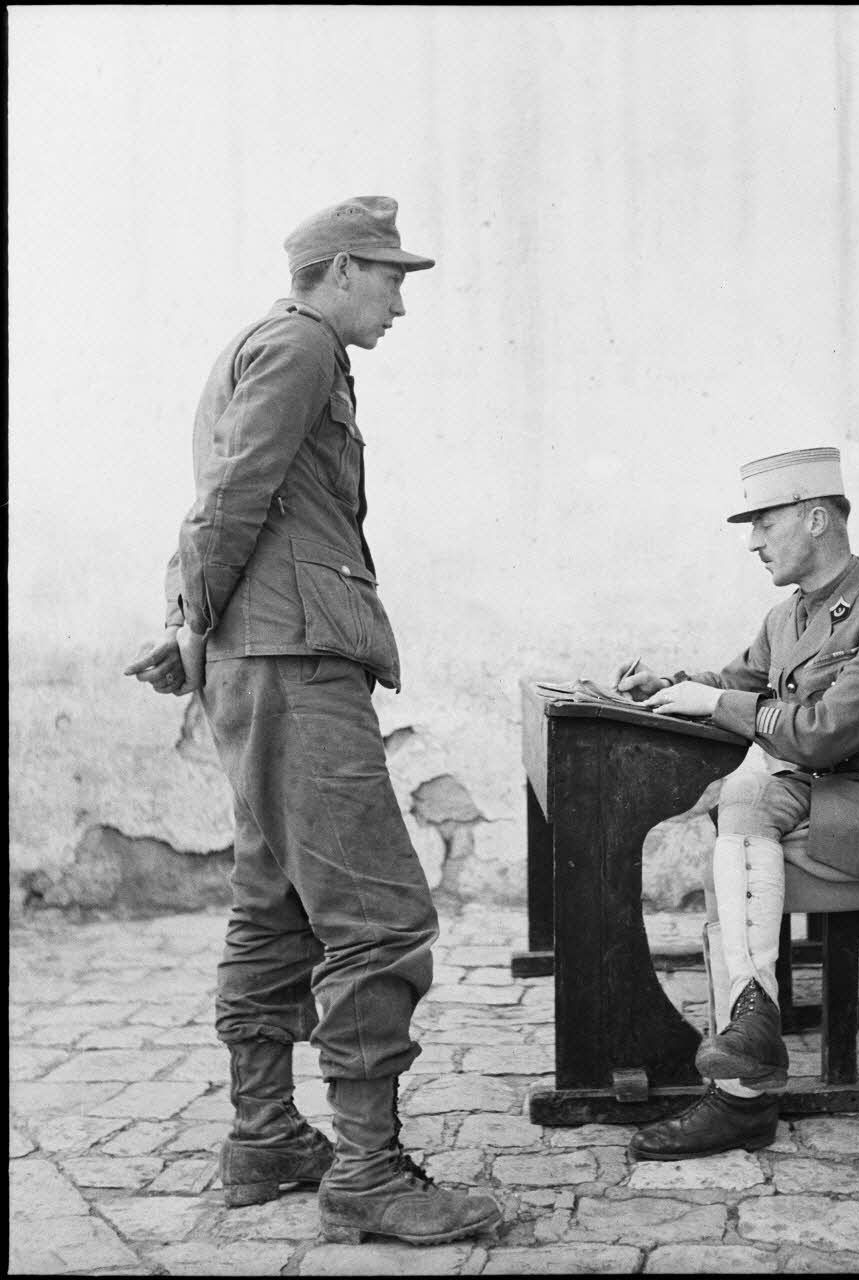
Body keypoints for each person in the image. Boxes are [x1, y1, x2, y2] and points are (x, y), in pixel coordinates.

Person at [123, 197, 502, 1246]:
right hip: (292, 662)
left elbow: (219, 498)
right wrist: (194, 620)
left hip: (262, 656)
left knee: (273, 903)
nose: (400, 302)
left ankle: (265, 1138)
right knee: (380, 917)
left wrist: (191, 626)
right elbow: (231, 497)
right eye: (390, 278)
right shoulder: (297, 346)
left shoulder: (263, 346)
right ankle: (369, 1176)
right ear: (338, 271)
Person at [616, 447, 859, 1160]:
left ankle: (742, 1092)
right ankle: (752, 1036)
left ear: (815, 519)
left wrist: (716, 701)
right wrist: (672, 683)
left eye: (762, 523)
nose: (751, 542)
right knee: (739, 813)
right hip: (825, 800)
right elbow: (737, 681)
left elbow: (820, 734)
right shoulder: (788, 617)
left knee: (734, 861)